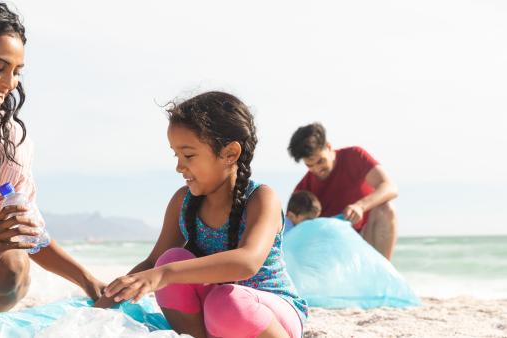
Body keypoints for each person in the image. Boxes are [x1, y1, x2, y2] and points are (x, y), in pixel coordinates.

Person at [97, 92, 307, 338]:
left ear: (230, 153)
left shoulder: (261, 198)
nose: (179, 166)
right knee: (170, 258)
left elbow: (247, 262)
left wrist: (164, 274)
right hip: (215, 318)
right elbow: (153, 264)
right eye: (176, 155)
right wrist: (106, 302)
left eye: (188, 155)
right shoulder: (183, 202)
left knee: (222, 301)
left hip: (269, 312)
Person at [0, 1, 104, 334]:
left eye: (17, 71)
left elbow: (28, 232)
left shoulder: (7, 142)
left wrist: (89, 282)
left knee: (12, 264)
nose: (10, 82)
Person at [288, 122, 398, 260]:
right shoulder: (303, 189)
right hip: (337, 252)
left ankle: (384, 277)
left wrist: (360, 206)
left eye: (321, 161)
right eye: (310, 165)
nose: (317, 169)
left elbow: (389, 187)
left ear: (328, 147)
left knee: (386, 209)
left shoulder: (354, 156)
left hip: (367, 237)